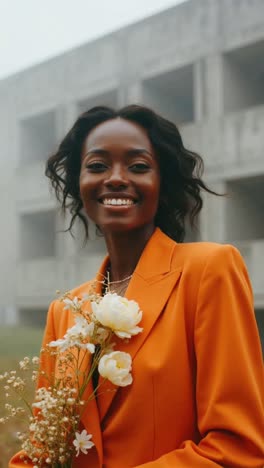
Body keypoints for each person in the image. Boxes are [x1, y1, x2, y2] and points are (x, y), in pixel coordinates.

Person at [10, 105, 264, 467]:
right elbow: (44, 450)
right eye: (97, 165)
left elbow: (238, 448)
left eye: (138, 166)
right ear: (78, 185)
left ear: (162, 183)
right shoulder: (64, 312)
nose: (115, 178)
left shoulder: (209, 270)